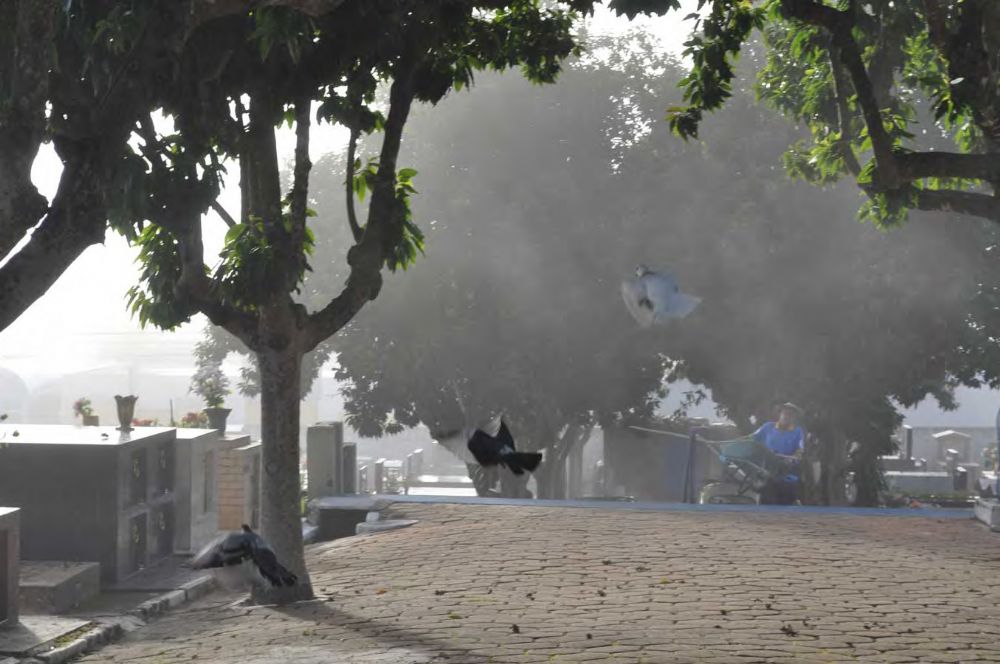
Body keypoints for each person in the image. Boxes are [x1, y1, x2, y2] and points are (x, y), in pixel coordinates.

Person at [752, 403, 805, 505]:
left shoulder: (797, 432)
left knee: (785, 506)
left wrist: (792, 459)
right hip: (767, 473)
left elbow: (799, 451)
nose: (787, 416)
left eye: (791, 415)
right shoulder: (768, 427)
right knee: (766, 505)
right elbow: (753, 440)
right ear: (780, 414)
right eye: (785, 413)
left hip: (787, 474)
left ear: (794, 418)